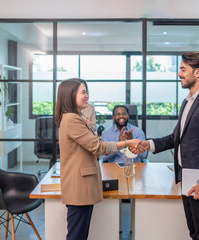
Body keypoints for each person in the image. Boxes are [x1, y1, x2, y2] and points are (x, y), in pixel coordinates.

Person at [135, 52, 199, 240]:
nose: (179, 74)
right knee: (195, 233)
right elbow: (176, 137)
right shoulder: (187, 101)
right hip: (186, 179)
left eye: (182, 69)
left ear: (197, 72)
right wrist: (148, 144)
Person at [55, 78, 141, 240]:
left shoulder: (74, 117)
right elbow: (98, 147)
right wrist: (127, 142)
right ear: (70, 95)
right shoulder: (72, 119)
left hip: (80, 185)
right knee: (76, 235)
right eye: (83, 92)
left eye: (86, 91)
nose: (87, 96)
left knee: (80, 234)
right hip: (78, 186)